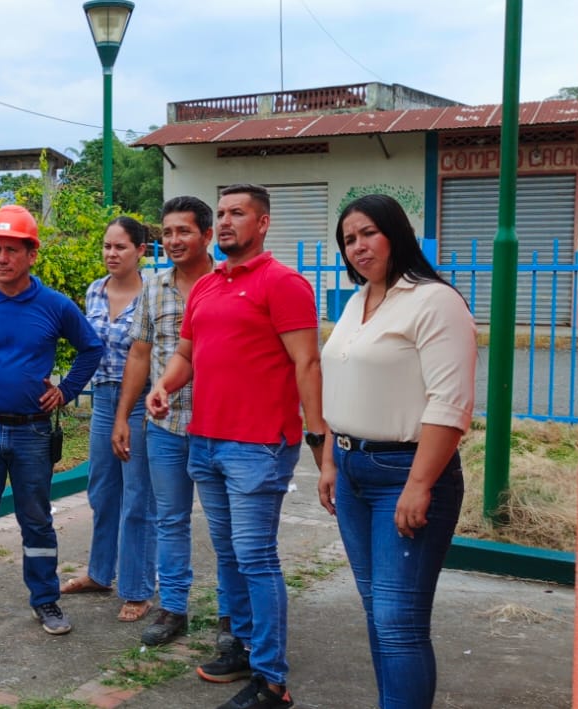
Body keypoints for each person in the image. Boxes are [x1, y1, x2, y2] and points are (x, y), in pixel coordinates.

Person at [147, 184, 330, 709]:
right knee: (229, 555)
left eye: (238, 214)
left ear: (263, 222)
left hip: (258, 446)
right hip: (205, 440)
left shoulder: (284, 283)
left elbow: (307, 363)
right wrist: (164, 386)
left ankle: (272, 682)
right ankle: (245, 649)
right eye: (222, 213)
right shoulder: (207, 287)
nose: (226, 222)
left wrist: (318, 439)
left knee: (255, 558)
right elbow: (187, 353)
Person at [317, 194, 476, 709]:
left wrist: (420, 484)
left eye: (368, 233)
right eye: (349, 240)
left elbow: (450, 403)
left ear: (396, 233)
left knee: (398, 620)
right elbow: (339, 387)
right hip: (352, 470)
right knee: (378, 614)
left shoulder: (434, 301)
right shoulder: (357, 302)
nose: (358, 247)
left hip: (404, 472)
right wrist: (329, 460)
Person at [0, 204, 104, 638]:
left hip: (32, 431)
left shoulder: (54, 306)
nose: (2, 258)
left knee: (37, 520)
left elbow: (91, 348)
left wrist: (66, 390)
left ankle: (45, 600)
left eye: (11, 250)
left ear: (32, 254)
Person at [111, 197, 235, 651]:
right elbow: (140, 354)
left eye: (184, 231)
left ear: (207, 235)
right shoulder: (154, 287)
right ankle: (174, 608)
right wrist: (124, 415)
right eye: (167, 233)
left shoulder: (229, 284)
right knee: (170, 520)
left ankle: (231, 615)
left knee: (226, 527)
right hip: (166, 427)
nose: (174, 240)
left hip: (221, 427)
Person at [62, 216, 156, 624]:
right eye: (107, 246)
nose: (111, 254)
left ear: (140, 251)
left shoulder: (154, 293)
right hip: (103, 398)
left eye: (120, 247)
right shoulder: (94, 291)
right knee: (102, 490)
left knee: (138, 497)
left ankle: (138, 588)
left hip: (140, 401)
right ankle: (100, 573)